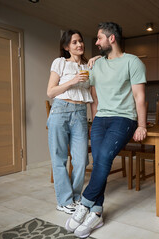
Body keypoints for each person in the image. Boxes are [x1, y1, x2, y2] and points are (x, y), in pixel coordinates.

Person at [65, 22, 147, 238]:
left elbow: (140, 97)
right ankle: (97, 212)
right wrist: (94, 119)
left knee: (103, 158)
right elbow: (93, 96)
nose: (96, 42)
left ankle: (84, 204)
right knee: (100, 160)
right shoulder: (97, 64)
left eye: (99, 38)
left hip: (123, 119)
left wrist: (141, 124)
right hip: (101, 119)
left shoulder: (133, 62)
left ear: (112, 39)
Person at [47, 30, 99, 214]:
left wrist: (97, 58)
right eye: (74, 42)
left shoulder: (88, 66)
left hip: (79, 114)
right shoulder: (60, 62)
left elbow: (93, 94)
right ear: (66, 46)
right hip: (60, 110)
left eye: (81, 41)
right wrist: (73, 81)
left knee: (81, 160)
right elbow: (50, 92)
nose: (79, 45)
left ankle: (76, 198)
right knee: (59, 158)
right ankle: (63, 201)